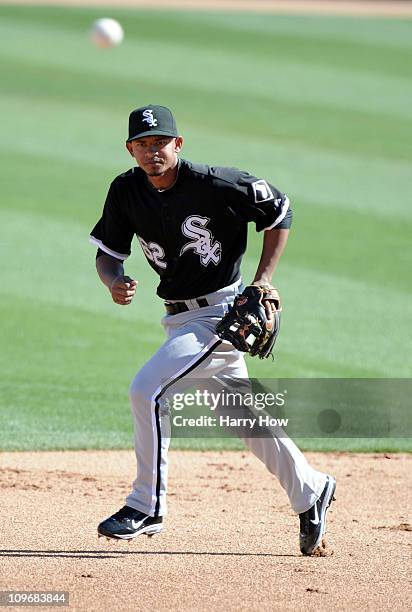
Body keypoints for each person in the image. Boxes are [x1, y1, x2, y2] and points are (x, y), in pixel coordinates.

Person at [89, 104, 336, 555]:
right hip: (177, 317)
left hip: (222, 314)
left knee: (147, 389)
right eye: (142, 145)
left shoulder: (217, 183)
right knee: (243, 418)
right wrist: (114, 281)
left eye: (160, 142)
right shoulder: (125, 190)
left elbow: (279, 210)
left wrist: (264, 279)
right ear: (130, 149)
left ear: (177, 144)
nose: (152, 151)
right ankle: (312, 489)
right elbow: (108, 252)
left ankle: (146, 505)